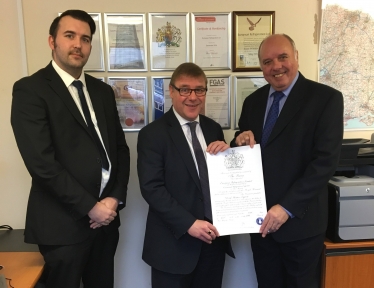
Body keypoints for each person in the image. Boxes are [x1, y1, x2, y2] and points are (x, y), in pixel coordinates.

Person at [11, 10, 130, 288]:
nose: (78, 44)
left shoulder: (101, 92)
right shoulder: (31, 90)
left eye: (85, 39)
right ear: (52, 41)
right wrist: (90, 207)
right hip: (61, 226)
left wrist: (114, 198)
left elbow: (120, 151)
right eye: (70, 36)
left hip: (106, 222)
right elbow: (42, 163)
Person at [231, 34, 343, 288]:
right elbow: (244, 147)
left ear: (296, 57)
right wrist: (239, 139)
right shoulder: (253, 102)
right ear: (261, 67)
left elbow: (324, 163)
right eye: (267, 61)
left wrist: (286, 208)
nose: (276, 66)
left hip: (300, 224)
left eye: (283, 57)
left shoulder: (326, 99)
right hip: (261, 225)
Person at [137, 62, 234, 288]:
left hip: (213, 243)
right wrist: (189, 223)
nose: (193, 97)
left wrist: (229, 158)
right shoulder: (152, 134)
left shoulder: (213, 129)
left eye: (199, 90)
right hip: (173, 247)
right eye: (185, 89)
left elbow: (218, 182)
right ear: (171, 91)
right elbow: (152, 188)